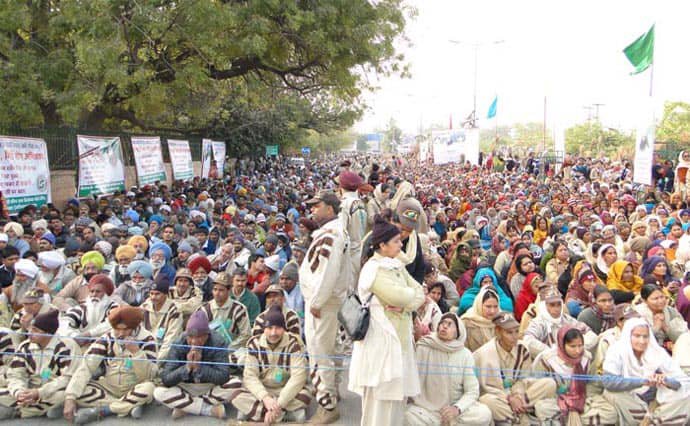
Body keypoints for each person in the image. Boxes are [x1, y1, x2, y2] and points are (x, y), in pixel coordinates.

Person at [348, 215, 424, 426]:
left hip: (399, 342)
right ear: (382, 245)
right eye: (397, 241)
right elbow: (402, 296)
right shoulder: (373, 270)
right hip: (380, 343)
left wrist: (405, 304)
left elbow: (420, 293)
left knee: (396, 405)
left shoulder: (396, 265)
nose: (401, 244)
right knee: (378, 406)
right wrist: (407, 300)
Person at [299, 191, 350, 424]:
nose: (312, 210)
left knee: (321, 354)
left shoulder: (331, 235)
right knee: (332, 349)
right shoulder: (331, 232)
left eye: (316, 206)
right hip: (326, 302)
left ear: (329, 209)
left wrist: (317, 303)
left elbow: (327, 275)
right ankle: (332, 390)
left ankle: (326, 405)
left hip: (322, 305)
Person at [63, 306, 157, 424]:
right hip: (109, 388)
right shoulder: (107, 338)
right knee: (78, 391)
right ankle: (128, 405)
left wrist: (136, 353)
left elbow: (148, 376)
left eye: (125, 329)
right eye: (117, 329)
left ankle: (104, 410)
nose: (120, 334)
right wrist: (70, 398)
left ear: (134, 327)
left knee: (149, 388)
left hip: (135, 385)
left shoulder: (147, 339)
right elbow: (86, 366)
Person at [405, 313, 492, 425]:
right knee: (408, 416)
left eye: (449, 324)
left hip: (455, 409)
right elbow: (411, 379)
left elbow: (472, 391)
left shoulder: (465, 354)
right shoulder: (424, 346)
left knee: (484, 414)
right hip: (427, 410)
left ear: (458, 332)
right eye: (442, 323)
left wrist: (457, 408)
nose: (444, 326)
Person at [229, 305, 311, 423]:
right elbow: (250, 376)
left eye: (278, 328)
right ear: (264, 329)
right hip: (264, 390)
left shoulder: (293, 343)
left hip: (285, 390)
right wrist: (266, 399)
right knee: (236, 395)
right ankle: (284, 415)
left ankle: (259, 414)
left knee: (305, 396)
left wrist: (279, 402)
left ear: (284, 329)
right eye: (270, 328)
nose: (273, 333)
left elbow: (298, 377)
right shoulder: (254, 344)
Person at [603, 317, 690, 425]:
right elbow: (608, 382)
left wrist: (666, 381)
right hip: (631, 401)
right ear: (628, 335)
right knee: (612, 394)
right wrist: (642, 381)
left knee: (686, 397)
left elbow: (681, 381)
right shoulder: (617, 351)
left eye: (645, 336)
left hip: (656, 403)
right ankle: (652, 421)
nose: (642, 341)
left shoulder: (657, 352)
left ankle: (652, 421)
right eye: (637, 336)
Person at [474, 312, 556, 425]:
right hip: (499, 397)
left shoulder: (522, 349)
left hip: (521, 395)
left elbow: (524, 379)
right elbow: (486, 388)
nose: (514, 336)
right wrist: (509, 398)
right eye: (509, 332)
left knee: (549, 383)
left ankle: (515, 415)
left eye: (517, 331)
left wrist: (517, 396)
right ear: (498, 332)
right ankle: (522, 418)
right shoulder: (483, 354)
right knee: (487, 400)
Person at [0, 310, 80, 420]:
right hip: (30, 389)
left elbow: (68, 378)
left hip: (52, 390)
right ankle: (32, 409)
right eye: (31, 328)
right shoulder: (26, 346)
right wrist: (19, 392)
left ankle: (20, 411)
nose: (30, 333)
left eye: (35, 330)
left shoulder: (66, 346)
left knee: (64, 396)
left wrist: (39, 393)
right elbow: (15, 374)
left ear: (48, 333)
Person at [532, 326, 617, 425]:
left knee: (611, 413)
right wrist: (568, 403)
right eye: (572, 346)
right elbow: (542, 387)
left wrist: (578, 403)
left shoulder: (586, 357)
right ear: (562, 344)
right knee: (541, 408)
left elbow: (592, 385)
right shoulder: (547, 360)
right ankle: (576, 419)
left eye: (580, 345)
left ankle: (565, 419)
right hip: (557, 401)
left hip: (582, 399)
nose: (578, 351)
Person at [153, 310, 230, 419]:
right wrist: (187, 367)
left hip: (209, 386)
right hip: (185, 387)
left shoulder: (218, 342)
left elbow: (223, 376)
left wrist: (199, 367)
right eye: (190, 337)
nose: (194, 341)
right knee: (158, 392)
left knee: (235, 385)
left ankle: (185, 406)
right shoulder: (179, 342)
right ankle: (208, 409)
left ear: (206, 335)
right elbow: (166, 378)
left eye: (198, 337)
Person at [523, 287, 597, 359]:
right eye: (552, 305)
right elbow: (528, 340)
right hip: (548, 361)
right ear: (544, 306)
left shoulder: (567, 319)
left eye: (559, 304)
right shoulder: (538, 323)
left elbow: (591, 335)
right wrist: (553, 352)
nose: (556, 308)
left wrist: (575, 348)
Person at [58, 274, 119, 346]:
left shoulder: (114, 307)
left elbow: (111, 324)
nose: (94, 295)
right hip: (80, 346)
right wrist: (75, 337)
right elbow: (65, 322)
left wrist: (89, 334)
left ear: (106, 294)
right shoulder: (81, 308)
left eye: (98, 291)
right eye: (92, 291)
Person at [140, 274, 183, 360]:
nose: (153, 297)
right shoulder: (144, 307)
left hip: (165, 354)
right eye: (151, 294)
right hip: (144, 352)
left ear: (165, 295)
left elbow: (170, 340)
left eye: (157, 294)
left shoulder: (174, 311)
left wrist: (156, 360)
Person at [461, 287, 500, 352]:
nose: (492, 311)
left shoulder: (502, 321)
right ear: (479, 305)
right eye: (488, 307)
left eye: (495, 306)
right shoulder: (466, 323)